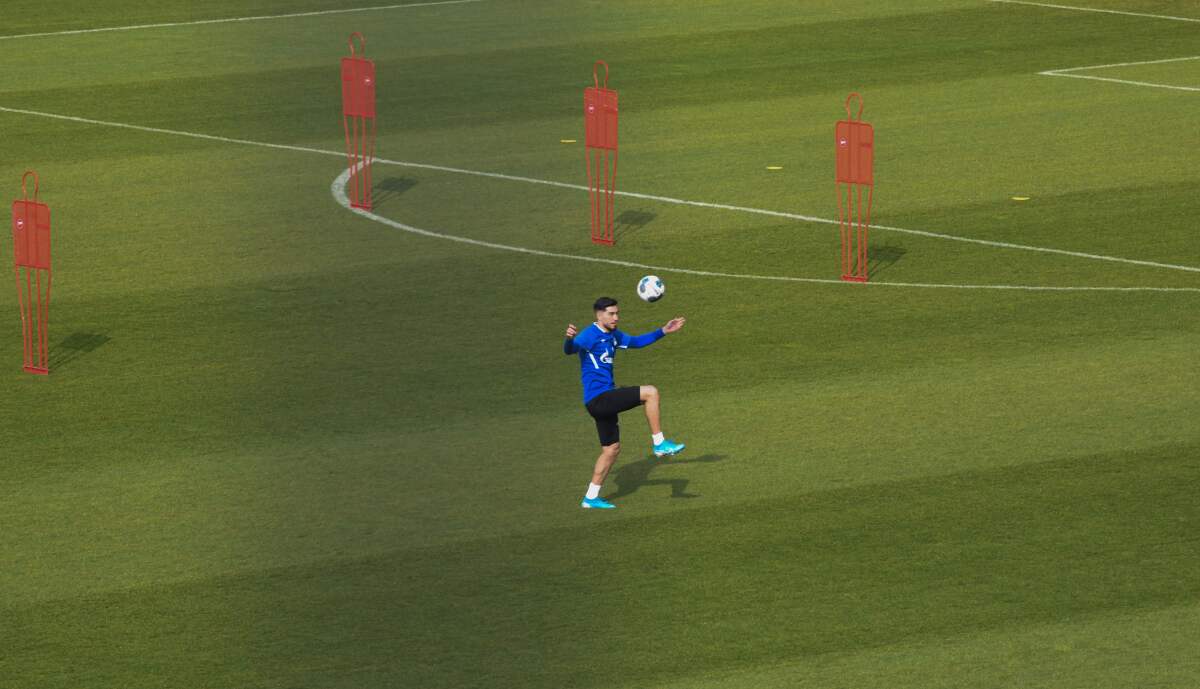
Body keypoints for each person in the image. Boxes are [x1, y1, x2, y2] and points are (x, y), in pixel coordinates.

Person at [564, 296, 686, 509]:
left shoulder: (613, 335)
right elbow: (570, 350)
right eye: (611, 314)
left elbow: (636, 342)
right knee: (650, 392)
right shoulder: (589, 335)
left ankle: (590, 497)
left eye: (617, 313)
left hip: (600, 402)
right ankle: (659, 443)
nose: (616, 317)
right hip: (599, 398)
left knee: (611, 449)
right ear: (599, 315)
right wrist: (569, 339)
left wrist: (663, 331)